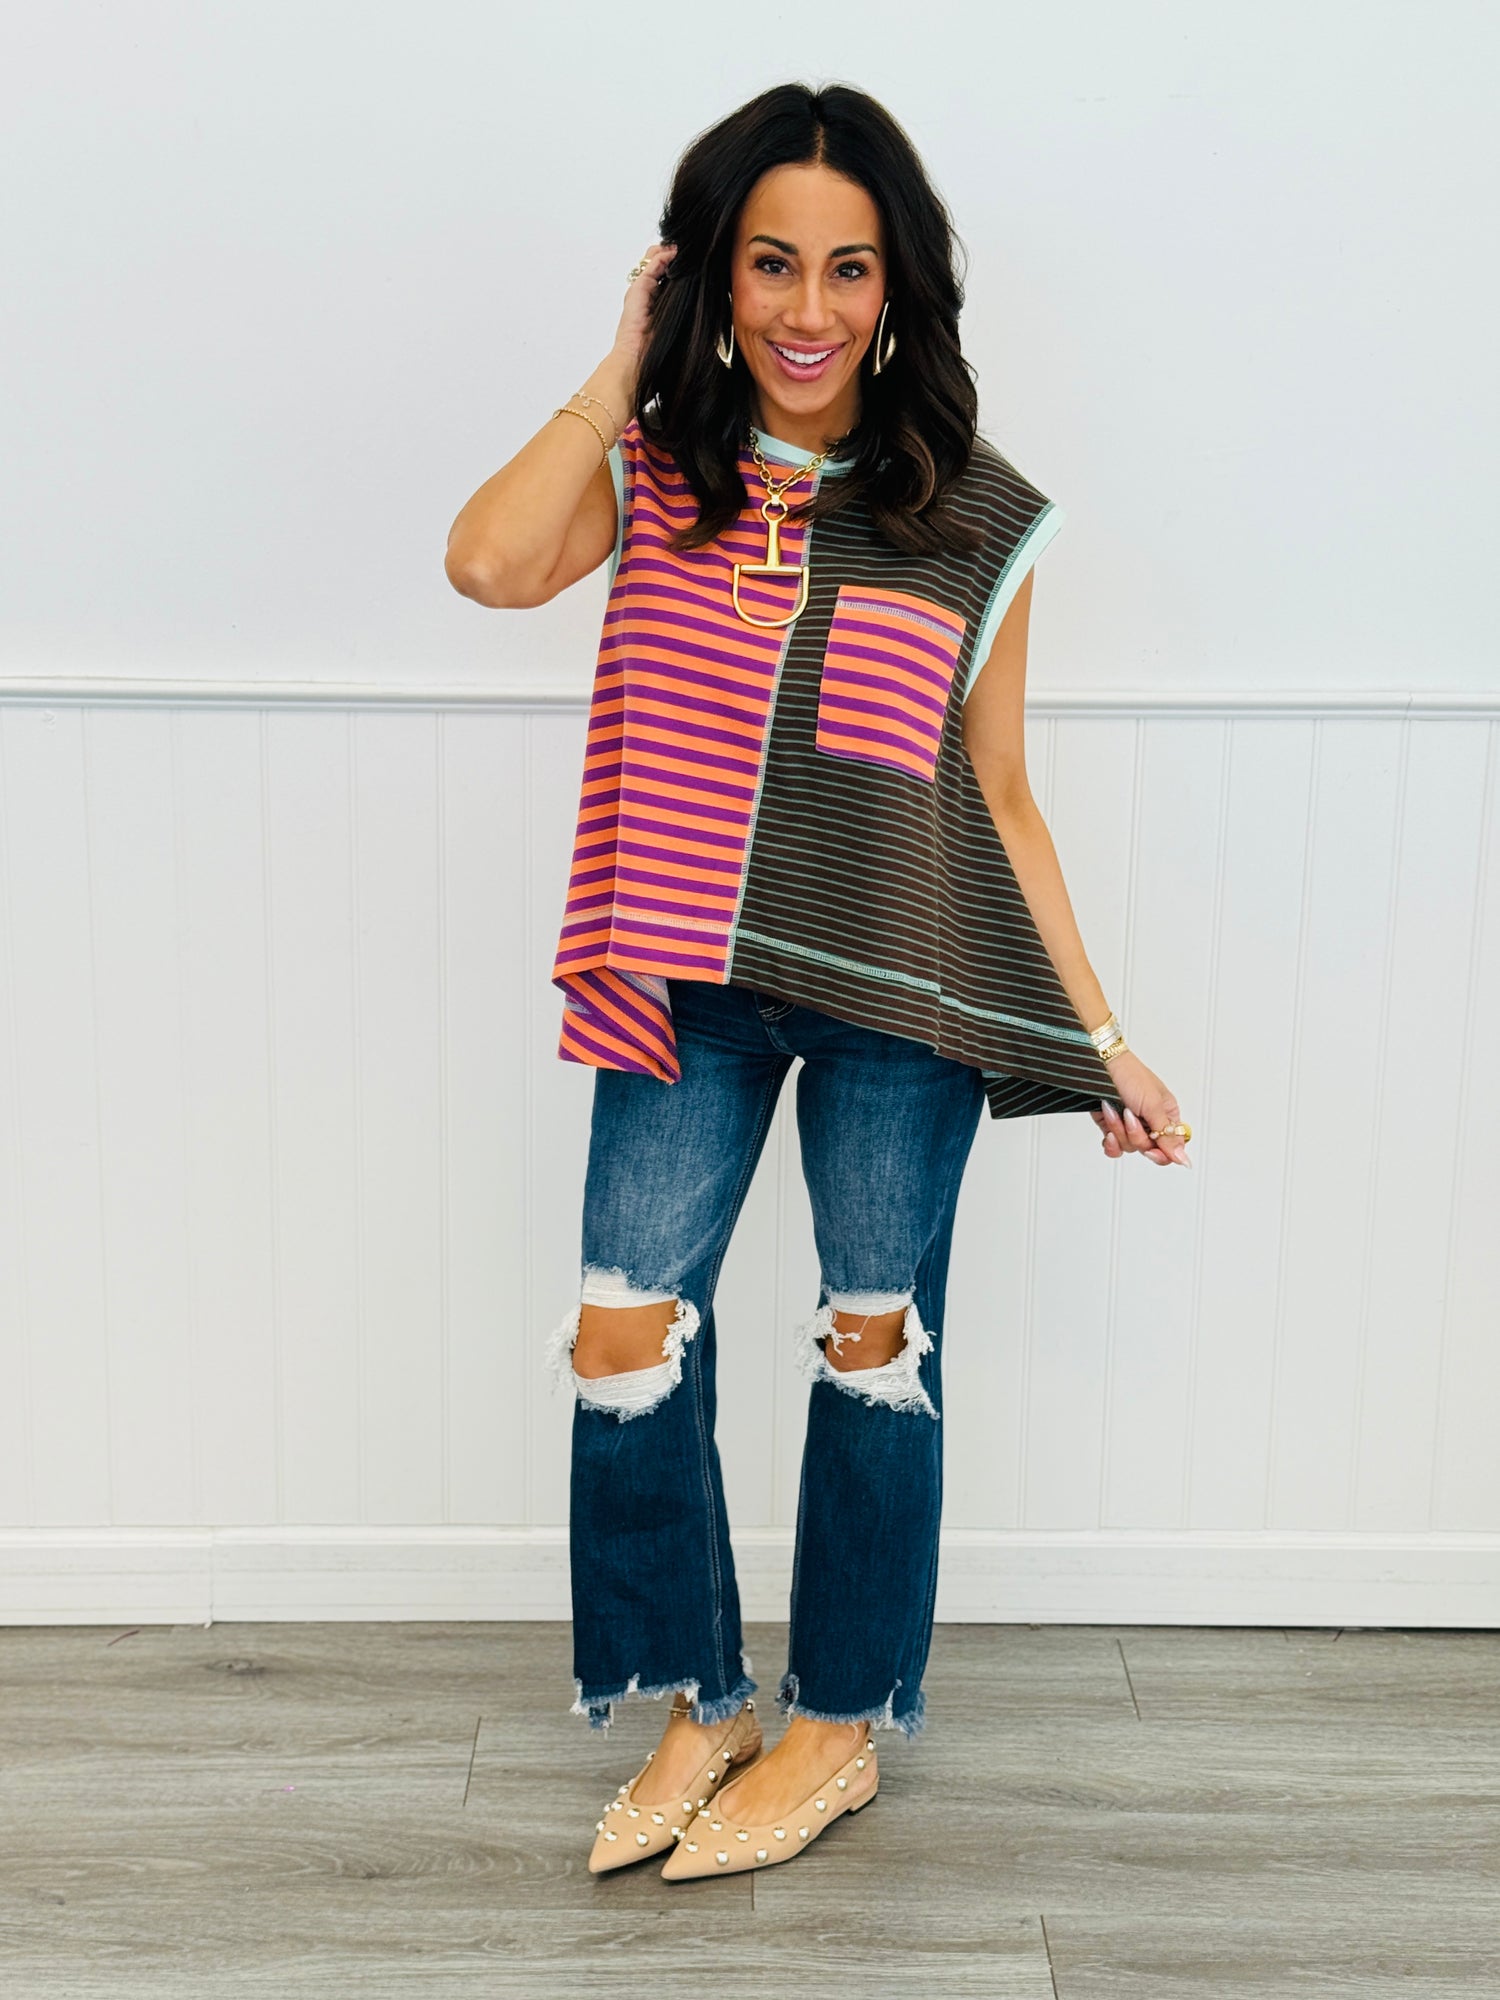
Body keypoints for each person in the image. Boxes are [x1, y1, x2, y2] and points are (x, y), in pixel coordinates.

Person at [445, 80, 1193, 1882]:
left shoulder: (976, 515)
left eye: (847, 269)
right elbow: (486, 562)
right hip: (680, 980)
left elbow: (997, 795)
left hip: (898, 1002)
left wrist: (1100, 1037)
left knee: (876, 1348)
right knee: (625, 1333)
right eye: (769, 263)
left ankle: (839, 1722)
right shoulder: (659, 470)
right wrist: (620, 363)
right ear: (712, 273)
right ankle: (704, 1700)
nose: (806, 308)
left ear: (896, 286)